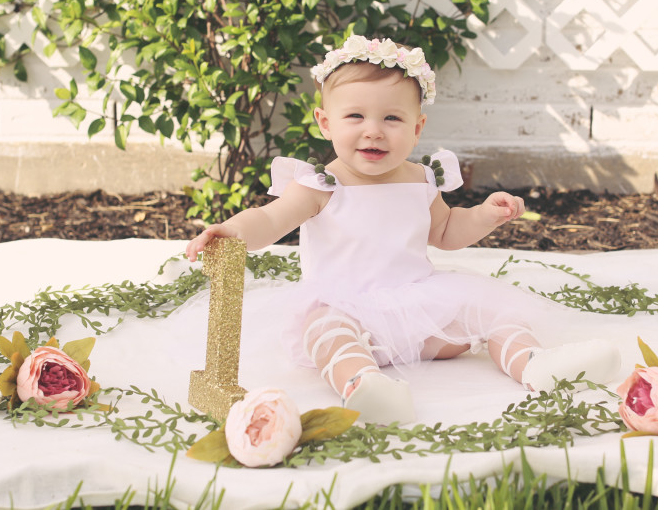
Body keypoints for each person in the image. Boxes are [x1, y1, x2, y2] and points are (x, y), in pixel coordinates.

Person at [186, 35, 620, 424]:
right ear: (324, 122)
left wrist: (485, 215)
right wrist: (232, 230)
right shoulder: (320, 183)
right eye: (354, 115)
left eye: (392, 119)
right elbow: (269, 219)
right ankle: (363, 386)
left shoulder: (420, 179)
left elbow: (446, 231)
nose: (373, 130)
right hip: (348, 309)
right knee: (323, 328)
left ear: (417, 129)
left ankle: (536, 364)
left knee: (492, 313)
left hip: (419, 314)